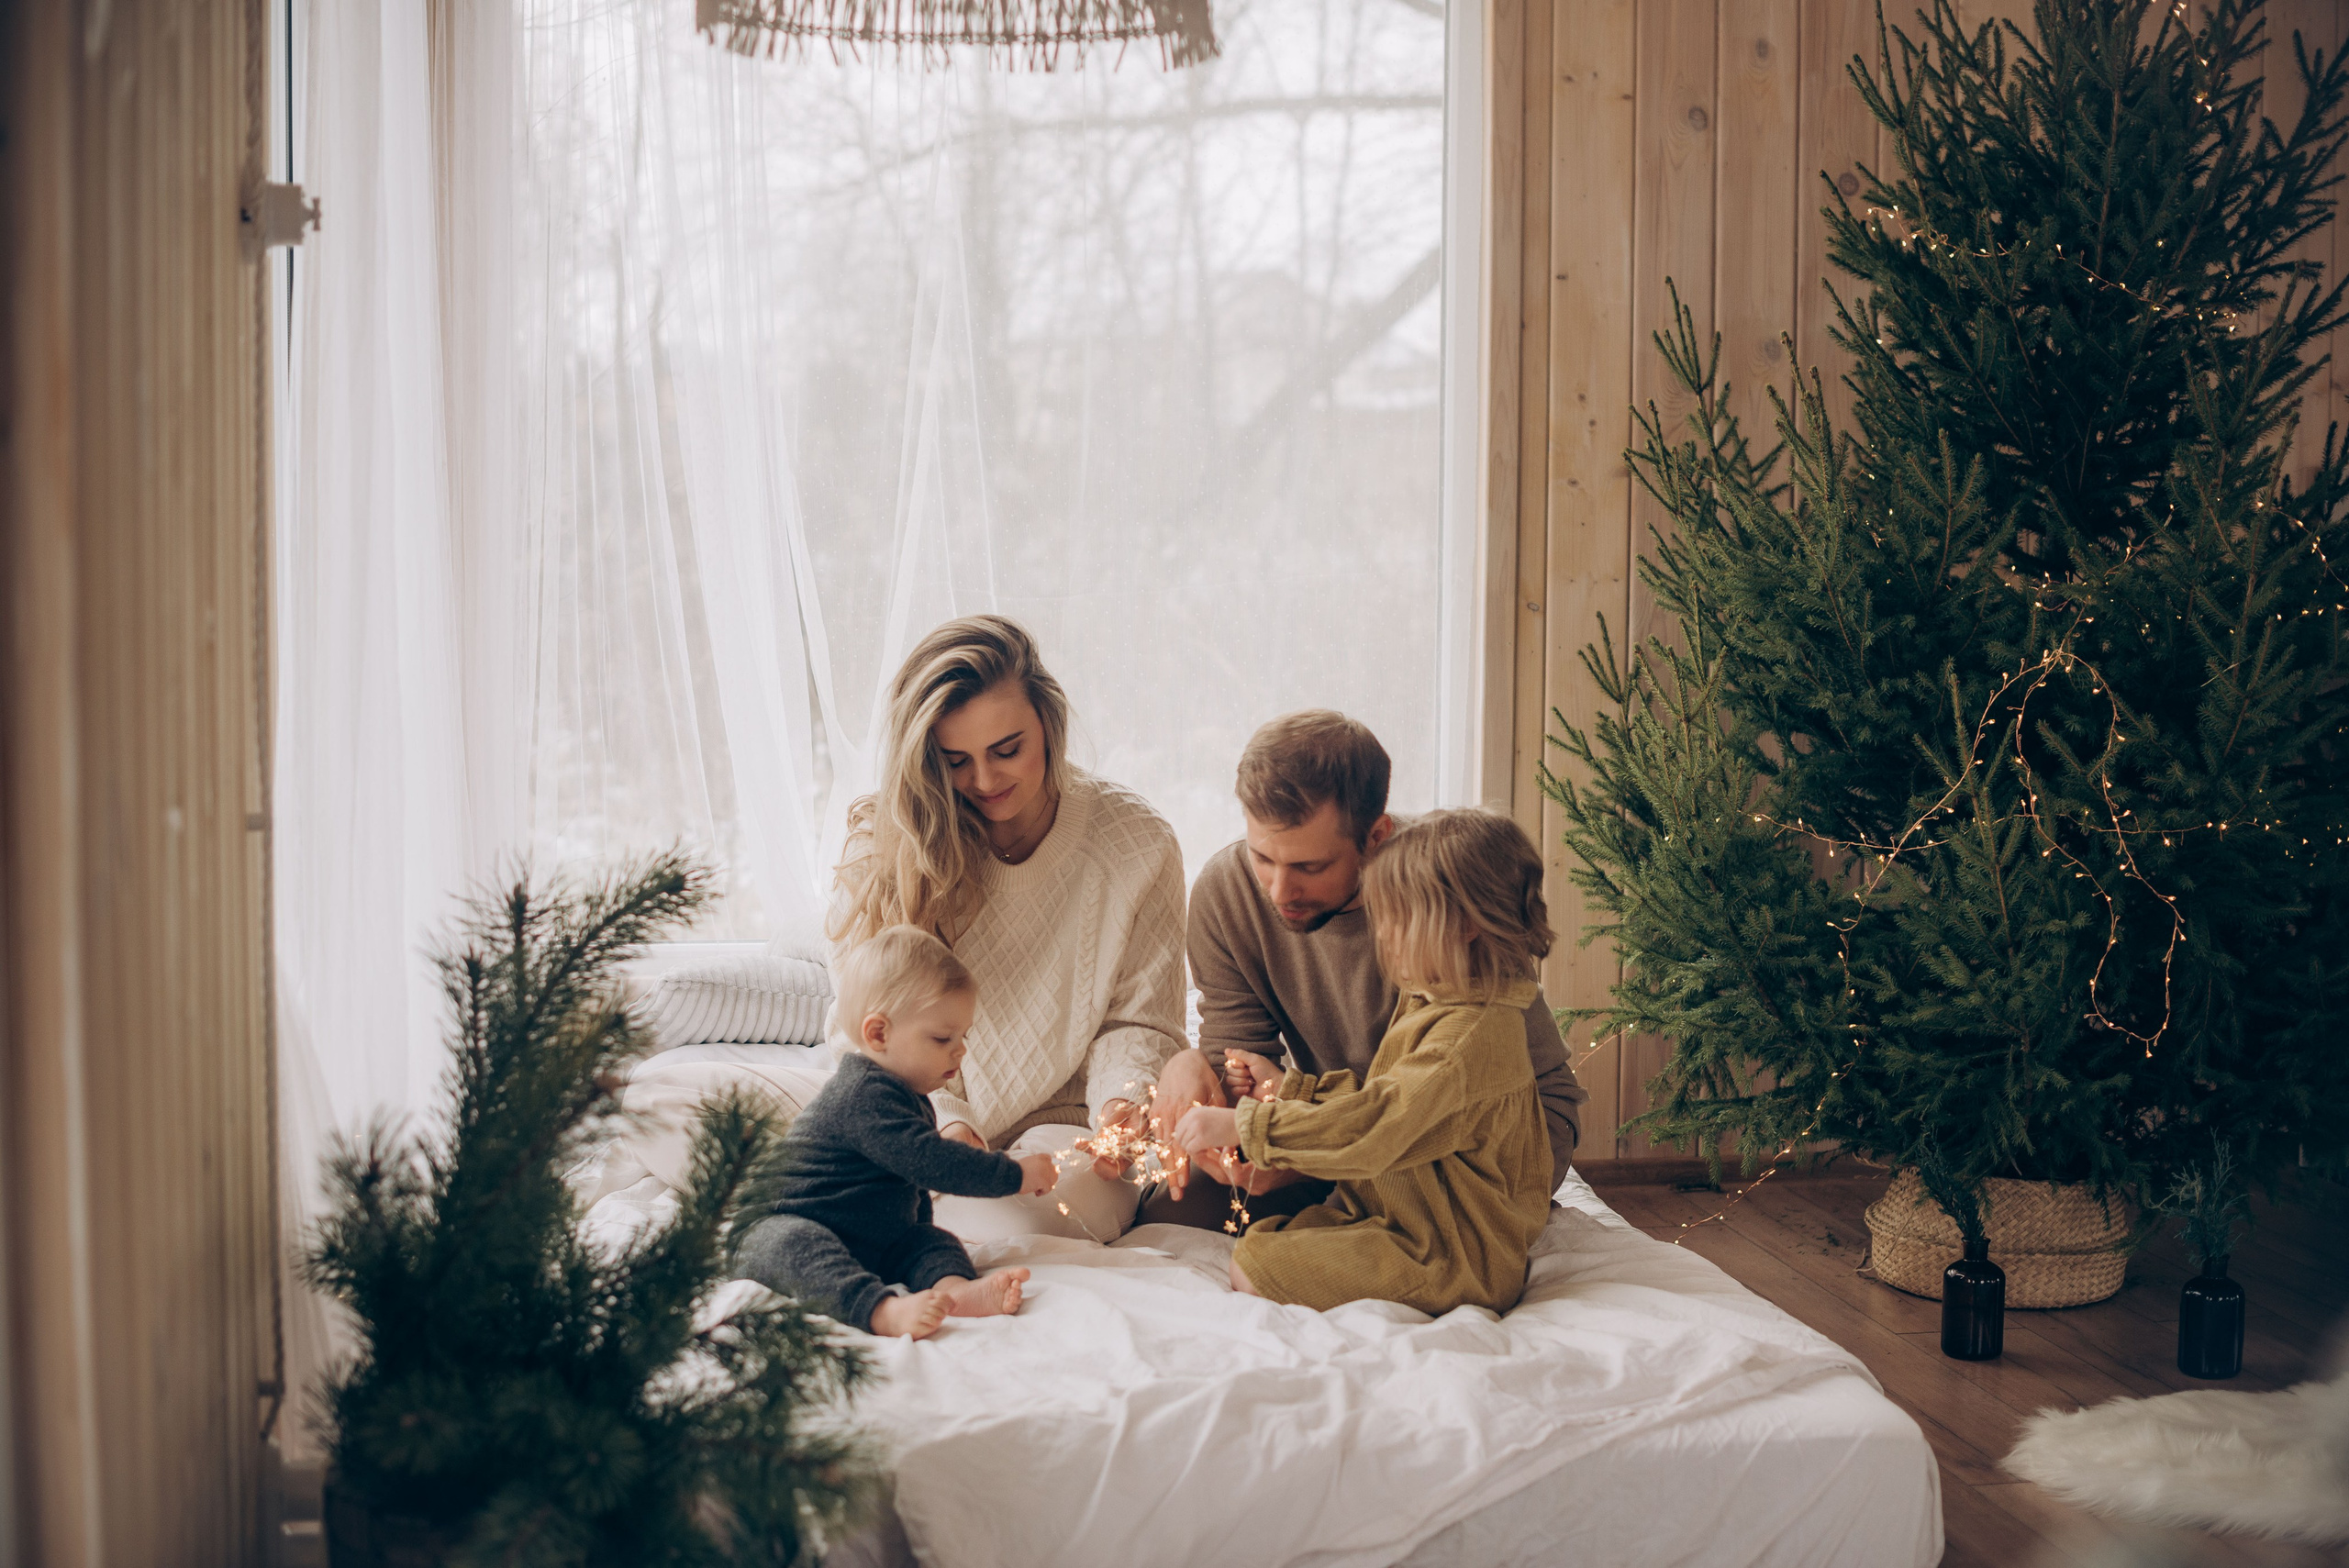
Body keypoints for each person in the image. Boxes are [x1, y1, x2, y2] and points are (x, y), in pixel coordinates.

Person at [1141, 711, 1586, 1228]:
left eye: (1311, 867)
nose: (1278, 892)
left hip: (1460, 1142)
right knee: (1166, 1218)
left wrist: (1303, 1154)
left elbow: (1520, 1096)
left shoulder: (1445, 891)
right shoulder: (1225, 893)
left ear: (1377, 836)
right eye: (1262, 857)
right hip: (1325, 1127)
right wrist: (1198, 1072)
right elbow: (1238, 1064)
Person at [829, 615, 1187, 1240]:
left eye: (1007, 749)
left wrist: (1120, 1108)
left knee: (1011, 1224)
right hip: (910, 1110)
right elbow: (867, 1028)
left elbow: (1140, 1019)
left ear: (1049, 727)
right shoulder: (886, 845)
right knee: (672, 1107)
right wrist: (944, 1122)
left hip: (1066, 1124)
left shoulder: (1138, 843)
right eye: (955, 760)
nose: (986, 781)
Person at [1172, 808, 1558, 1313]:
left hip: (1452, 1253)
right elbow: (1389, 1097)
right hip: (1405, 1215)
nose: (1382, 934)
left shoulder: (1469, 1039)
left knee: (1255, 1263)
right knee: (1273, 1234)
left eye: (1397, 919)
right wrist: (1294, 1091)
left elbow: (1379, 1126)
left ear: (1465, 925)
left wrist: (1245, 1126)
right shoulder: (1436, 999)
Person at [734, 927, 1059, 1339]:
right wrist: (1014, 1174)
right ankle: (882, 1312)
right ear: (878, 1034)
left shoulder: (910, 1096)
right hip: (782, 1225)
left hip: (871, 1238)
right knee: (799, 1246)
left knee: (930, 1241)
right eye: (943, 1037)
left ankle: (956, 1293)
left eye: (964, 1036)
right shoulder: (861, 1095)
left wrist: (918, 1234)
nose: (960, 1050)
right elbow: (932, 1162)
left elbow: (910, 1190)